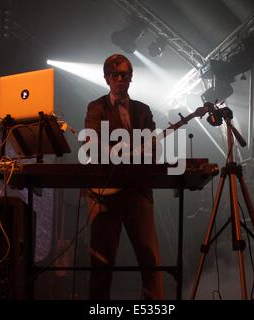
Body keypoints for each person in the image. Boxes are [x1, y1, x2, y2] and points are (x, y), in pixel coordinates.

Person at [84, 54, 164, 299]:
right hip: (103, 194)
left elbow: (155, 149)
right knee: (101, 263)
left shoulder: (143, 110)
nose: (120, 79)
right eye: (115, 74)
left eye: (125, 74)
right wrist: (129, 152)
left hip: (137, 191)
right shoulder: (96, 107)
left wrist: (134, 152)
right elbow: (92, 145)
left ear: (131, 78)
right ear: (106, 78)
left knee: (151, 262)